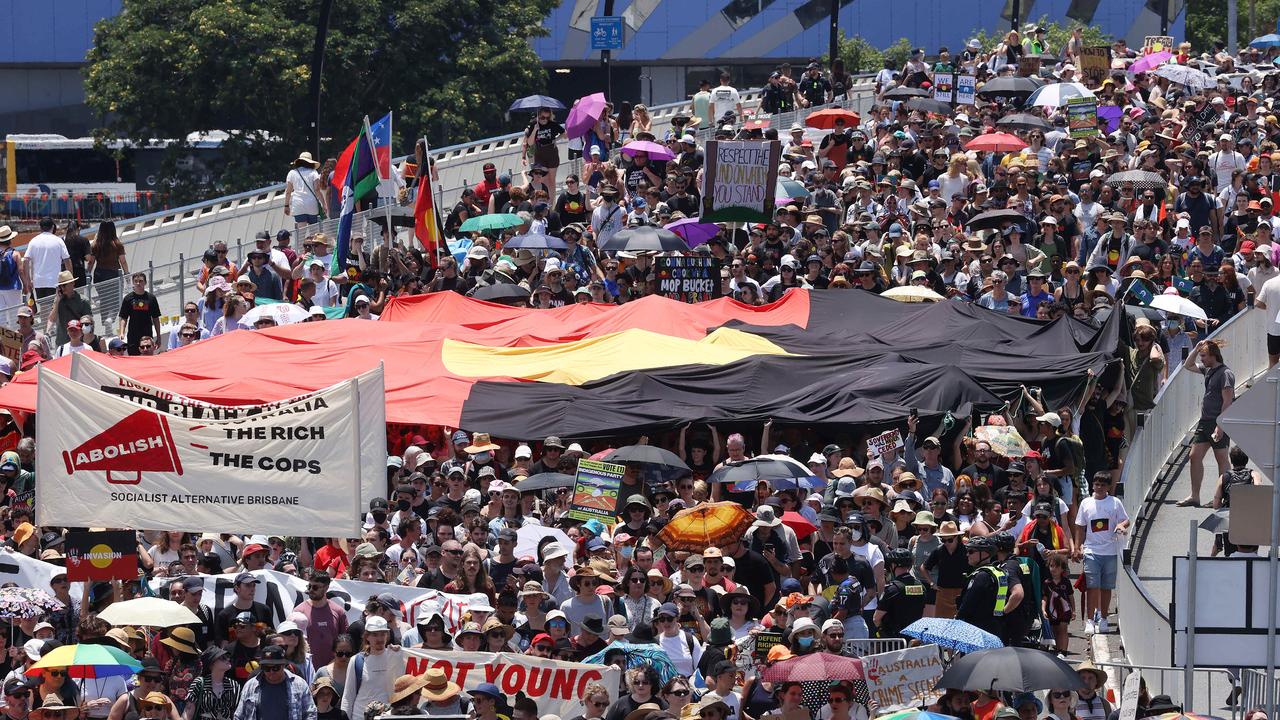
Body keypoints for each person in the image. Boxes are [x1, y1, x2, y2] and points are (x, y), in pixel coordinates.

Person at [1180, 340, 1235, 507]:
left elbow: (1228, 401)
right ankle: (1194, 496)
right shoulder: (1208, 370)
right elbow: (1188, 365)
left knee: (1222, 460)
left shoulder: (1225, 373)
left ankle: (1223, 497)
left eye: (1204, 356)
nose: (1201, 359)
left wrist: (1220, 425)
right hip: (1204, 422)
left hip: (1217, 421)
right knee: (1194, 456)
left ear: (1213, 356)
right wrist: (1196, 349)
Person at [1073, 473, 1129, 636]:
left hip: (1110, 550)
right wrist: (1077, 547)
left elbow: (1126, 520)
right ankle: (1090, 620)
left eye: (1103, 485)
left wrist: (1120, 525)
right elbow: (1079, 526)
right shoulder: (1086, 503)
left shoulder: (1115, 502)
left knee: (1106, 587)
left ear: (1108, 487)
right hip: (1092, 550)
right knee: (1092, 586)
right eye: (1097, 484)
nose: (1099, 487)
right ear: (1092, 485)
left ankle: (1103, 618)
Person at [233, 645, 316, 720]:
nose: (271, 672)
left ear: (283, 665)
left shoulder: (300, 684)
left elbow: (310, 713)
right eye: (267, 668)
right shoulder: (250, 686)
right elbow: (239, 716)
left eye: (276, 668)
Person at [23, 217, 70, 302]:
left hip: (39, 281)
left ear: (40, 228)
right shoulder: (58, 241)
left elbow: (26, 260)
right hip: (54, 281)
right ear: (52, 227)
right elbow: (67, 259)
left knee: (44, 308)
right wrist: (69, 278)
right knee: (55, 307)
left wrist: (28, 280)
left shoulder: (33, 241)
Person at [116, 272, 161, 355]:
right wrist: (122, 332)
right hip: (133, 336)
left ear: (145, 282)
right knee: (134, 358)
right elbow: (123, 317)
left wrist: (158, 336)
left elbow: (156, 318)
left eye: (140, 281)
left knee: (148, 357)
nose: (138, 283)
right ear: (133, 282)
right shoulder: (128, 298)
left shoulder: (151, 298)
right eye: (136, 281)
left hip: (147, 335)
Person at [285, 152, 324, 228]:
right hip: (312, 205)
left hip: (298, 205)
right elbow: (317, 189)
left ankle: (302, 240)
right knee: (314, 232)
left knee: (302, 231)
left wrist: (286, 206)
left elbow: (288, 192)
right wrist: (324, 204)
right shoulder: (313, 172)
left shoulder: (292, 173)